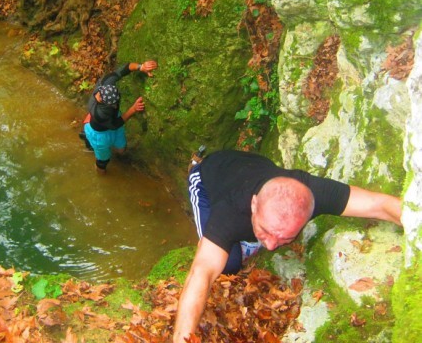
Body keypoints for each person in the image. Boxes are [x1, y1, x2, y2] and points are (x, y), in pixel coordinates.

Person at [173, 149, 402, 342]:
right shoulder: (231, 210)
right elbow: (200, 273)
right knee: (228, 264)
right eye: (266, 231)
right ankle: (195, 164)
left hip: (252, 166)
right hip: (207, 178)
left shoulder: (313, 192)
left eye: (285, 238)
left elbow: (378, 204)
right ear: (254, 205)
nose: (272, 246)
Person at [82, 60, 157, 173]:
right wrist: (133, 109)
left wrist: (141, 67)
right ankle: (99, 169)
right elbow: (116, 124)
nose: (117, 104)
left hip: (108, 122)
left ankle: (88, 137)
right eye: (115, 104)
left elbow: (125, 68)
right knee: (103, 161)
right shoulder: (102, 114)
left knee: (121, 150)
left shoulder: (106, 83)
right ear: (109, 104)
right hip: (100, 135)